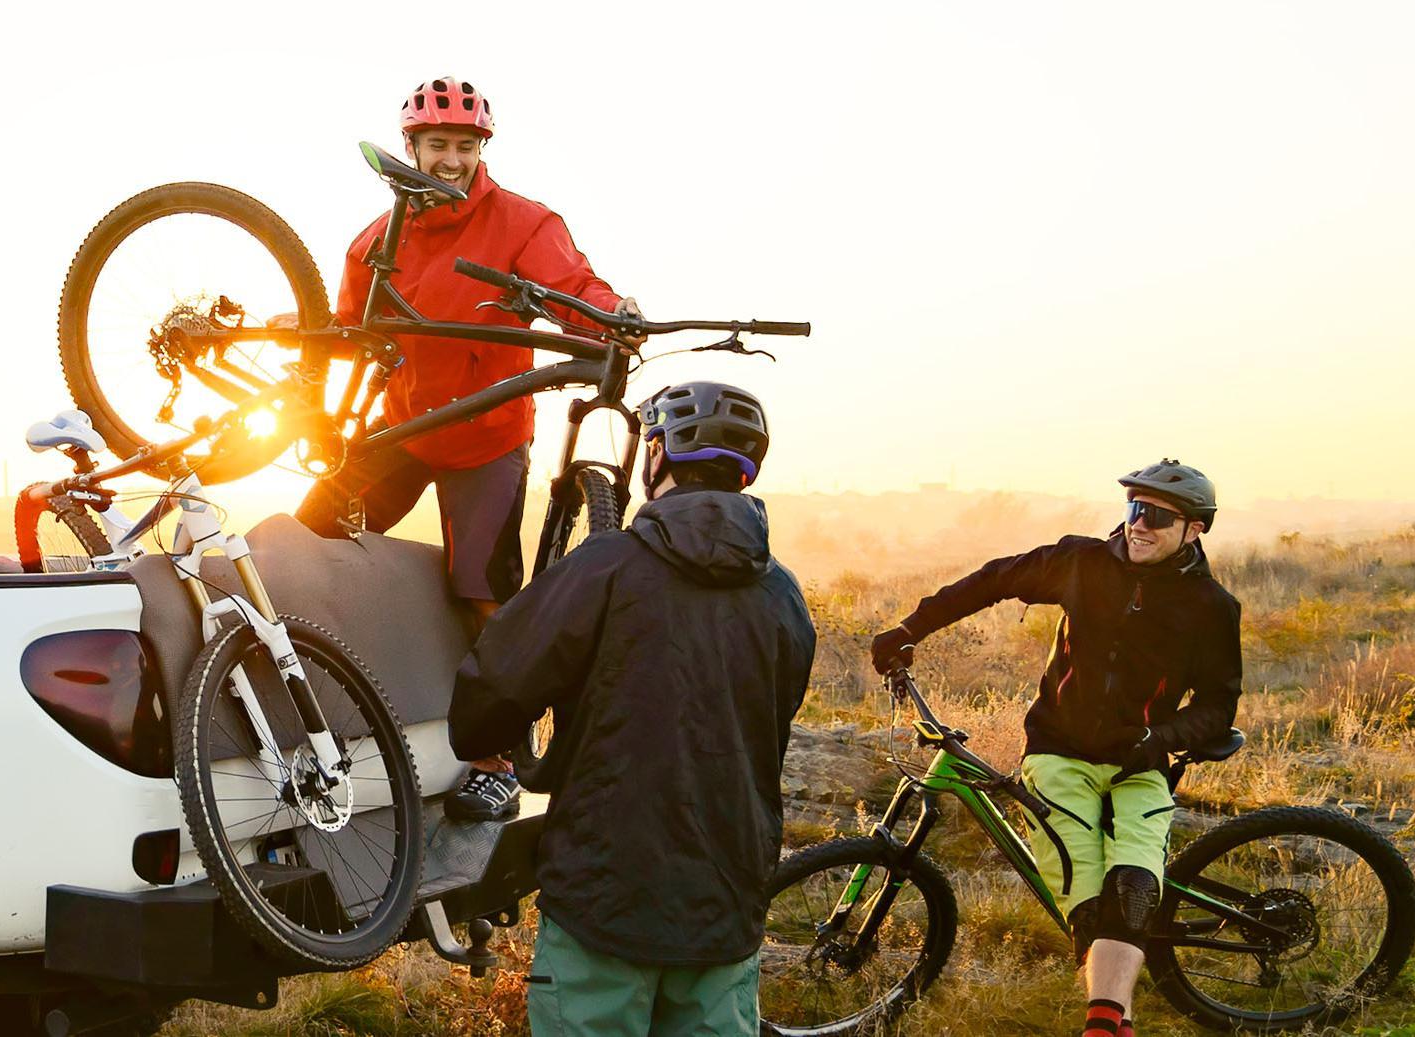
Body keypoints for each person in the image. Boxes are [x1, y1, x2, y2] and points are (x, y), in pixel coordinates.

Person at [290, 77, 641, 821]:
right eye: (436, 145)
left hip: (486, 433)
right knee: (301, 541)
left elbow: (571, 287)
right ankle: (301, 717)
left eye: (463, 146)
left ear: (481, 151)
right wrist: (303, 378)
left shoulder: (523, 222)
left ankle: (496, 761)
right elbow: (347, 331)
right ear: (409, 148)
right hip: (403, 429)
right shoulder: (374, 241)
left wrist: (613, 318)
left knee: (482, 592)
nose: (449, 160)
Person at [453, 381, 814, 1037]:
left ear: (656, 453)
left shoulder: (605, 565)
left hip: (603, 892)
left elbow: (498, 682)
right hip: (727, 895)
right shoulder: (783, 593)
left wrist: (483, 739)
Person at [867, 460, 1243, 1037]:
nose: (1139, 524)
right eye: (1133, 509)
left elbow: (1219, 705)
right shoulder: (1081, 563)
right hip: (1058, 753)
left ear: (1194, 529)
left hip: (1140, 765)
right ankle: (1112, 1020)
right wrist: (910, 628)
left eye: (1157, 516)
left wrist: (1158, 739)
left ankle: (1104, 1020)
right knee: (1090, 906)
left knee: (1135, 893)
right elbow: (993, 580)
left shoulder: (1213, 608)